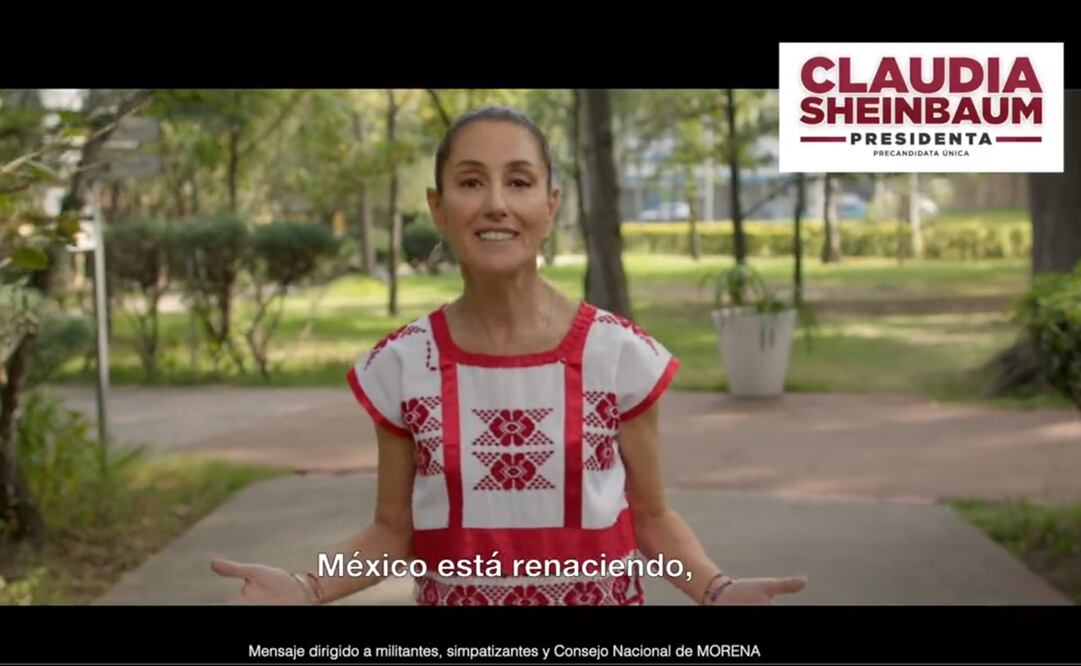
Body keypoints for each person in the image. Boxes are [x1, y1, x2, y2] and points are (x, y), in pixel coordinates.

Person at [211, 105, 808, 606]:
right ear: (439, 208)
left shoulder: (619, 355)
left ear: (550, 204)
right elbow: (393, 533)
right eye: (471, 182)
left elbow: (651, 521)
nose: (496, 203)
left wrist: (716, 589)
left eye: (518, 182)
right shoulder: (401, 366)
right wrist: (306, 585)